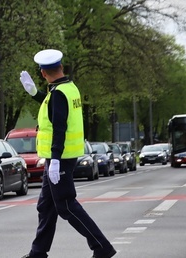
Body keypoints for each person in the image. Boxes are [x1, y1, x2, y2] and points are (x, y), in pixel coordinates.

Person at [19, 49, 116, 258]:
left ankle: (102, 247)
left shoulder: (58, 93)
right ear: (61, 67)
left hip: (60, 160)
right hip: (61, 158)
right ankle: (38, 252)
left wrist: (54, 160)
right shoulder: (68, 88)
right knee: (46, 206)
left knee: (66, 206)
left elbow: (59, 128)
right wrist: (35, 94)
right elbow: (55, 108)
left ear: (43, 73)